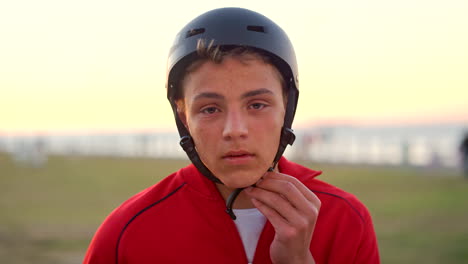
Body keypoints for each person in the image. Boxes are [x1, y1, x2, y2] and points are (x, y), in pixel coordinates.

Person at [83, 7, 380, 264]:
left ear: (286, 108)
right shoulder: (127, 233)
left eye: (257, 104)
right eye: (210, 109)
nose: (234, 130)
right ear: (184, 118)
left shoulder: (345, 221)